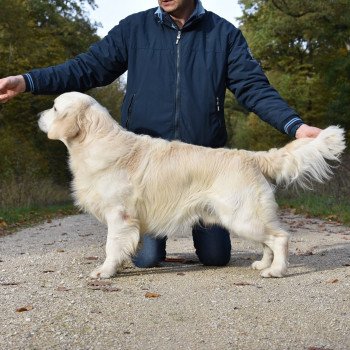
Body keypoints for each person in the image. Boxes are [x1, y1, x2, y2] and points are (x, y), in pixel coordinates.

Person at [0, 0, 321, 268]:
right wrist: (27, 81)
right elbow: (85, 68)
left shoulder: (223, 34)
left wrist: (295, 126)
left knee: (216, 257)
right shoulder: (134, 29)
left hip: (204, 165)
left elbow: (254, 89)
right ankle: (146, 245)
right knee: (146, 259)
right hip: (147, 169)